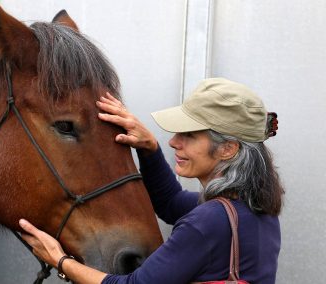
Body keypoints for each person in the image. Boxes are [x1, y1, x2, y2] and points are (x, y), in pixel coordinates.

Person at [19, 77, 284, 284]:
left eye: (189, 135)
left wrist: (60, 260)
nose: (174, 142)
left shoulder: (209, 222)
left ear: (227, 149)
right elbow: (171, 202)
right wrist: (149, 149)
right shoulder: (253, 211)